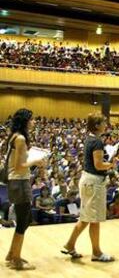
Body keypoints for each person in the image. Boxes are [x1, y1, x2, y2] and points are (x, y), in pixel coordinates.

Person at [62, 112, 115, 262]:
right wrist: (111, 163)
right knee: (94, 219)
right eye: (104, 122)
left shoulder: (90, 139)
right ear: (97, 125)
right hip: (94, 182)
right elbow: (98, 165)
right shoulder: (97, 142)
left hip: (87, 180)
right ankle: (96, 253)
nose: (106, 125)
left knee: (86, 217)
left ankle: (70, 244)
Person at [6, 108, 46, 270]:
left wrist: (30, 155)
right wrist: (35, 161)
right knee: (24, 221)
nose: (34, 121)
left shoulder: (15, 136)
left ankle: (11, 253)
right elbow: (19, 166)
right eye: (32, 119)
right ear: (25, 121)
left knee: (25, 220)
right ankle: (15, 259)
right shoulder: (20, 138)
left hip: (17, 182)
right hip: (19, 182)